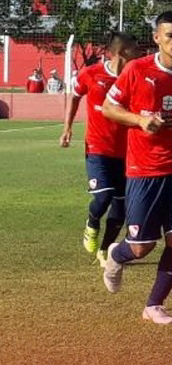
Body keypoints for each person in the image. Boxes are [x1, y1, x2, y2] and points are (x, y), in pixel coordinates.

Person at [100, 11, 172, 324]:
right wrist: (139, 120)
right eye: (170, 35)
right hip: (144, 169)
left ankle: (154, 305)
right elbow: (109, 108)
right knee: (142, 247)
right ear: (157, 38)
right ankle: (116, 254)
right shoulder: (137, 70)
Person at [60, 31, 141, 265]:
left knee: (120, 208)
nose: (138, 53)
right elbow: (75, 96)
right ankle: (92, 222)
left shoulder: (135, 77)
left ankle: (105, 250)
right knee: (103, 197)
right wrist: (67, 128)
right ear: (122, 51)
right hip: (98, 148)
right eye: (135, 48)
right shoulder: (91, 73)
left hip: (127, 152)